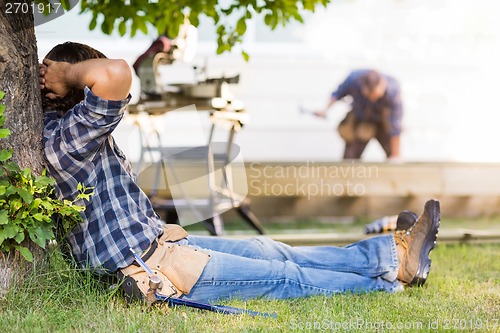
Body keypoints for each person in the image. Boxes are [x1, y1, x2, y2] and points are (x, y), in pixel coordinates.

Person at [40, 42, 439, 305]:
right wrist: (64, 74)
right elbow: (116, 73)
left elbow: (112, 76)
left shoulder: (79, 132)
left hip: (164, 244)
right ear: (73, 85)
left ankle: (391, 254)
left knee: (274, 251)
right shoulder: (65, 141)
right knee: (284, 277)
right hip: (153, 269)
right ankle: (387, 282)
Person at [315, 69, 403, 160]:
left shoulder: (393, 88)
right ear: (362, 86)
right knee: (349, 159)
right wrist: (325, 109)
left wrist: (396, 154)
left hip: (383, 122)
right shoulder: (353, 80)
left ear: (382, 84)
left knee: (394, 157)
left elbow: (395, 123)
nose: (372, 99)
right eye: (369, 95)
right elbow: (338, 94)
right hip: (360, 119)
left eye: (376, 95)